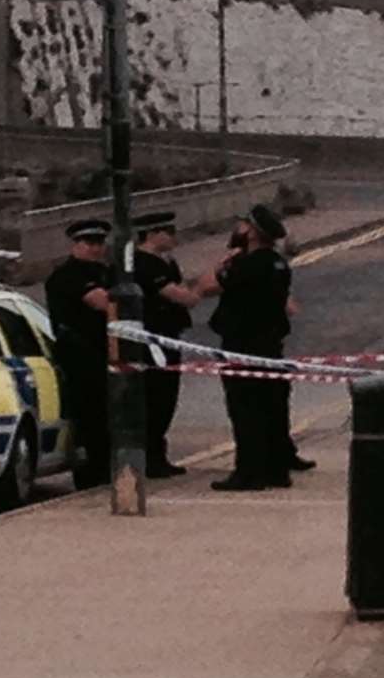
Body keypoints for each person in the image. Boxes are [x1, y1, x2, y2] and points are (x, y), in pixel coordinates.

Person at [204, 204, 309, 491]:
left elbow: (217, 283)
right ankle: (276, 470)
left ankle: (248, 473)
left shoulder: (245, 265)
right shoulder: (277, 263)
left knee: (245, 410)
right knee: (271, 408)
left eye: (243, 224)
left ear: (252, 231)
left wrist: (225, 264)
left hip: (242, 345)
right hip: (270, 345)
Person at [132, 211, 204, 479]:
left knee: (167, 399)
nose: (174, 237)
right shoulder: (144, 264)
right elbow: (178, 295)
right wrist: (202, 288)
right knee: (157, 398)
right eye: (168, 232)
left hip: (169, 336)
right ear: (152, 235)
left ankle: (158, 454)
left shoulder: (165, 262)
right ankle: (151, 457)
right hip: (154, 340)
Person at [44, 218, 113, 488]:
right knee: (88, 418)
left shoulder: (104, 272)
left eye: (100, 243)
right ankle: (90, 476)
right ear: (76, 244)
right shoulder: (68, 275)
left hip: (102, 353)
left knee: (105, 418)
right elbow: (103, 303)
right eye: (90, 243)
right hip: (79, 357)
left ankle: (104, 469)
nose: (96, 249)